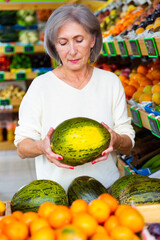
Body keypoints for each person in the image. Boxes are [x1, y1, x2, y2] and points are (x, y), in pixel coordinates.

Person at [14, 4, 135, 191]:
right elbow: (22, 147)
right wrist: (42, 147)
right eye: (63, 43)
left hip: (106, 193)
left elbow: (127, 142)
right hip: (57, 196)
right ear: (54, 45)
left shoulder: (110, 82)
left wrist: (116, 139)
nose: (72, 51)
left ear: (93, 39)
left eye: (79, 40)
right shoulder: (40, 87)